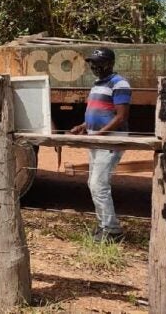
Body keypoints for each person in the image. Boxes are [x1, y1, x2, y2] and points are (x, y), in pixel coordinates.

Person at [69, 47, 130, 242]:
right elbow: (98, 112)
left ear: (110, 64)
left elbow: (121, 117)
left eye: (98, 63)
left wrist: (100, 135)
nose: (94, 67)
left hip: (109, 141)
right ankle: (104, 225)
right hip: (97, 139)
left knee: (98, 184)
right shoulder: (97, 85)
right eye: (92, 63)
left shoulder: (119, 84)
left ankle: (112, 231)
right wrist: (83, 126)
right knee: (93, 184)